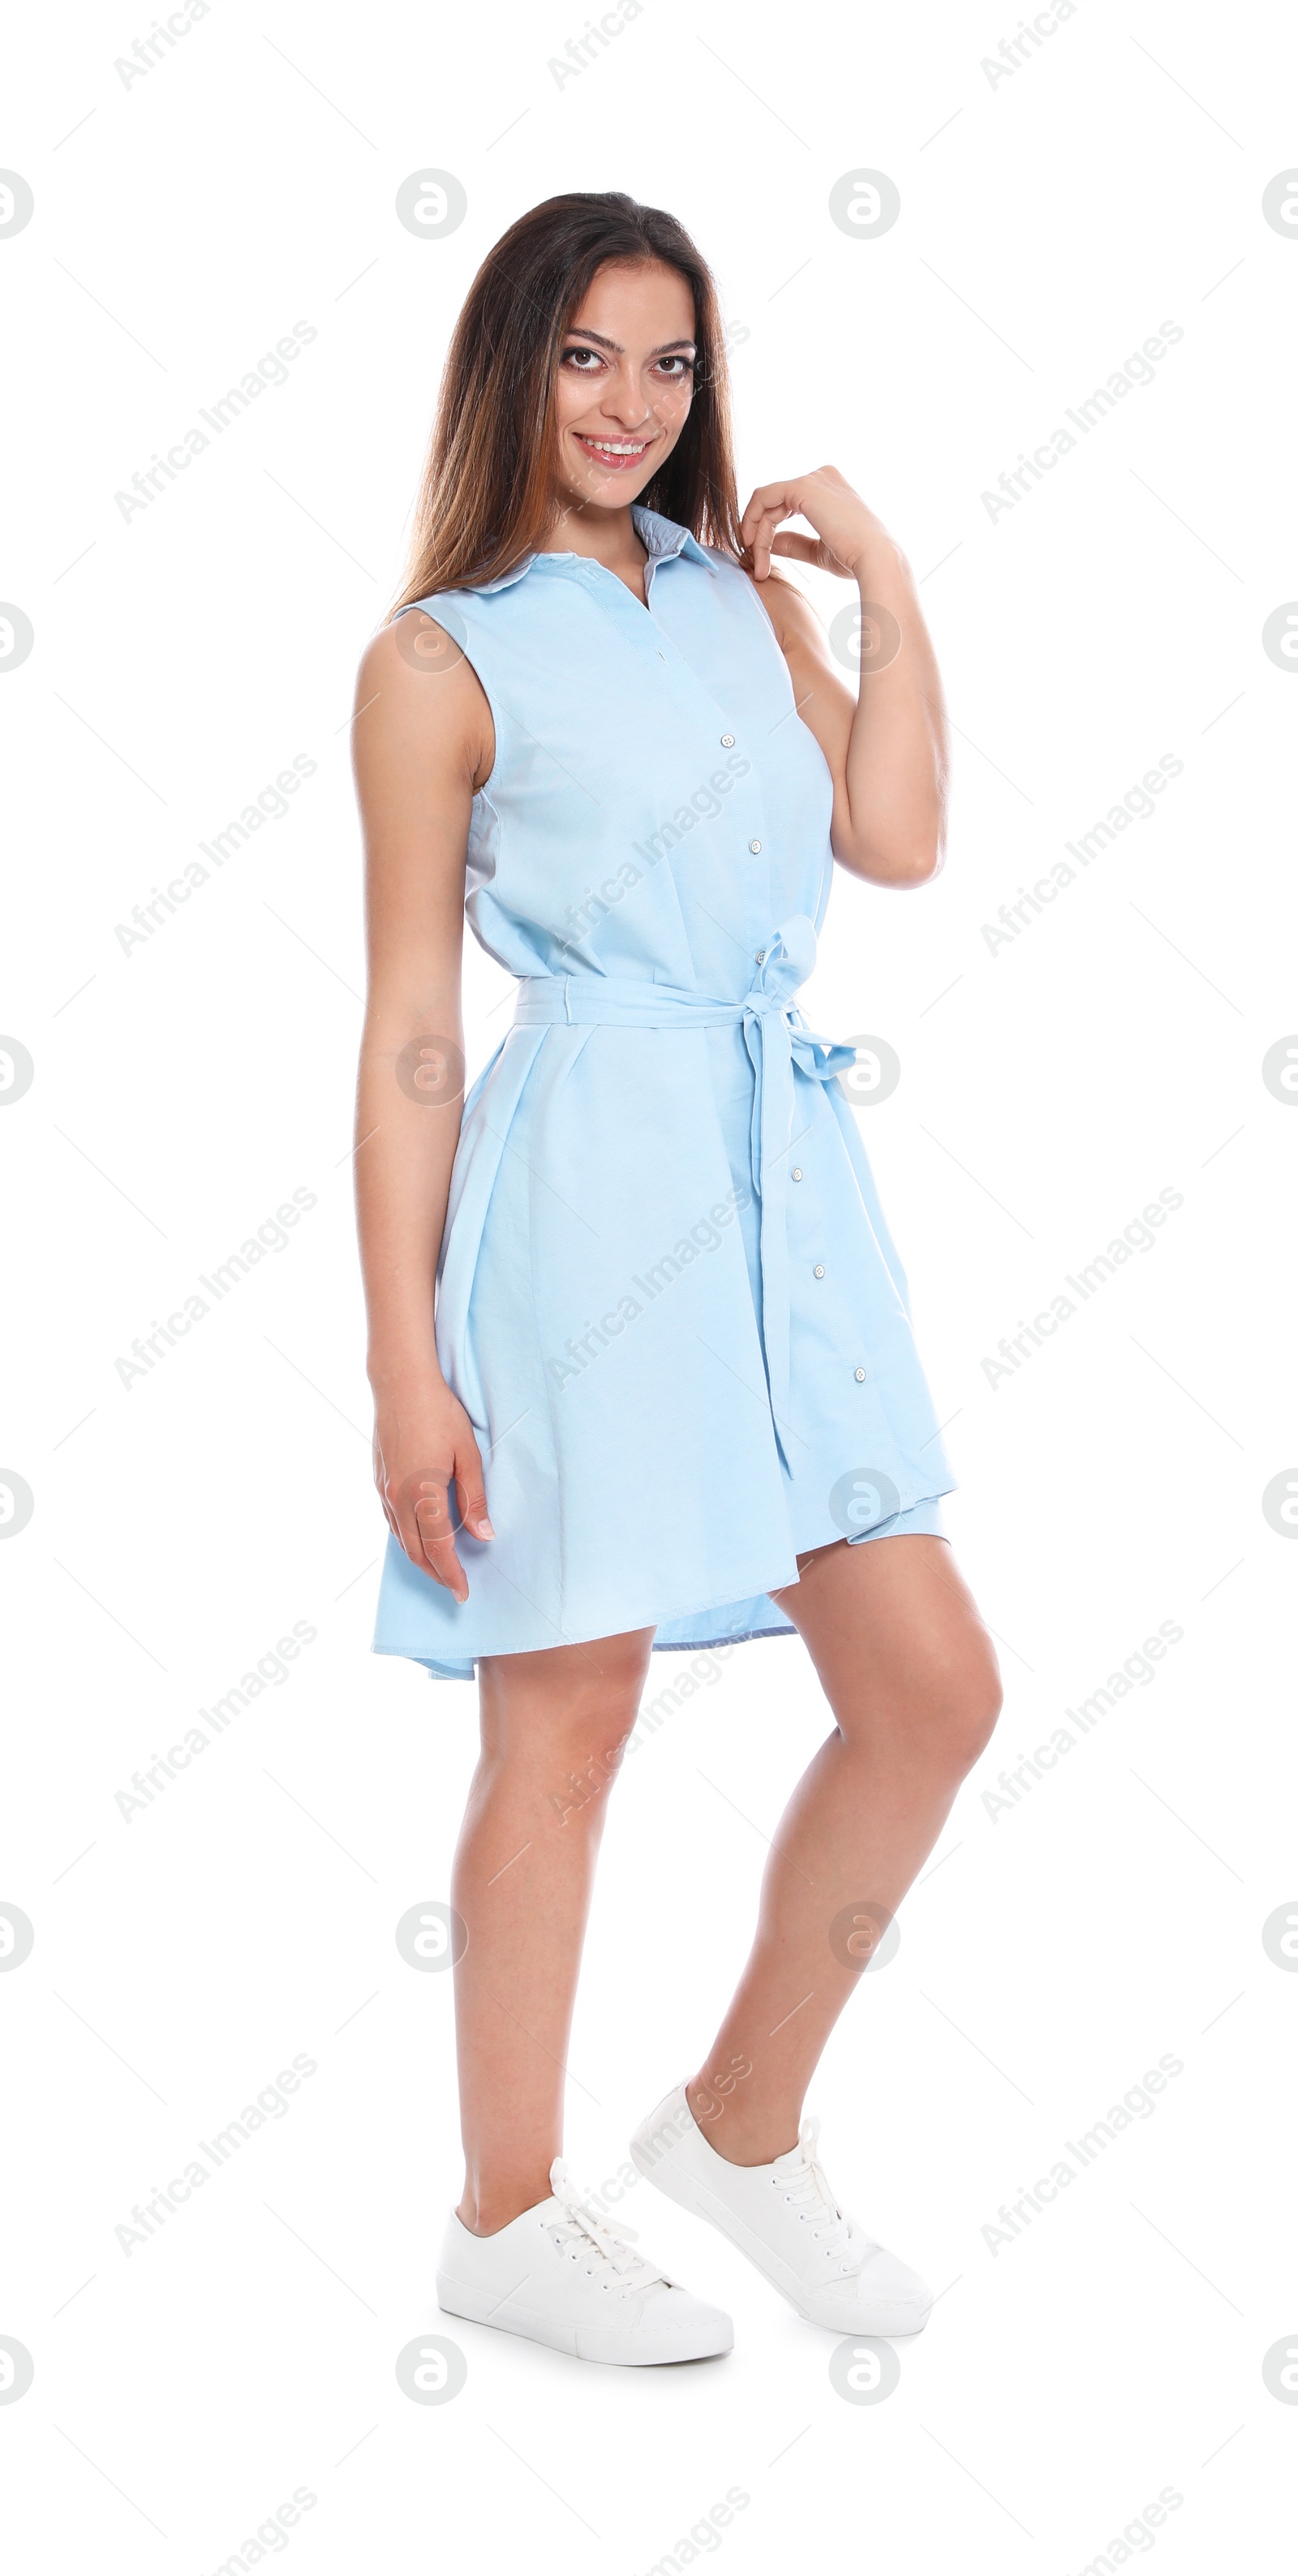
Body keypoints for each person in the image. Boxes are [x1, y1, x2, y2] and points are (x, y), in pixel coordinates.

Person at [352, 190, 1002, 2368]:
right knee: (573, 1710)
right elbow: (411, 1032)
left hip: (781, 1174)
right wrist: (403, 1375)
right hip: (585, 1192)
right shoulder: (440, 660)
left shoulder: (735, 598)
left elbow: (891, 836)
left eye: (673, 363)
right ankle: (505, 2214)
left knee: (929, 1691)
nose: (634, 404)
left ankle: (739, 2121)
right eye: (588, 357)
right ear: (512, 368)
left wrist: (884, 590)